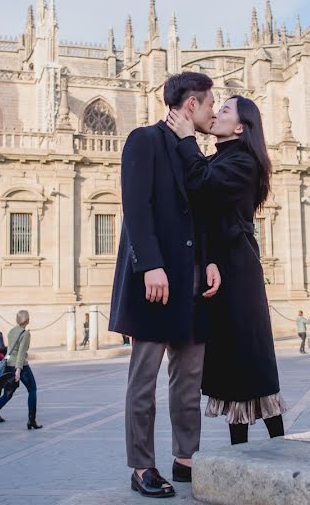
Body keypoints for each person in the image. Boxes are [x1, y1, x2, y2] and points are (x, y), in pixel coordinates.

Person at [109, 71, 222, 498]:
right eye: (210, 104)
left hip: (193, 283)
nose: (213, 111)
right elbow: (136, 207)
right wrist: (150, 265)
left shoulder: (195, 151)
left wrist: (209, 261)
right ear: (190, 104)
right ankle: (141, 466)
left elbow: (204, 213)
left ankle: (185, 457)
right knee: (145, 379)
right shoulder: (144, 140)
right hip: (155, 283)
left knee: (188, 378)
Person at [167, 94, 286, 447]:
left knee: (249, 353)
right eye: (216, 108)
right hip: (223, 264)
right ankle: (242, 454)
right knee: (234, 357)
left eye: (225, 110)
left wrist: (188, 137)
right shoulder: (223, 158)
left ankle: (281, 445)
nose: (216, 114)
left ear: (239, 127)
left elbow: (202, 183)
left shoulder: (244, 162)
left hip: (239, 270)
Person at [0, 310, 41, 434]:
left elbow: (9, 351)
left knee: (7, 394)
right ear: (27, 320)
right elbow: (21, 353)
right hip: (21, 366)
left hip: (9, 365)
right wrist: (18, 370)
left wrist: (2, 365)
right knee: (32, 390)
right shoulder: (25, 334)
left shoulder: (12, 331)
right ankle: (31, 420)